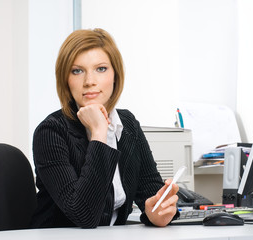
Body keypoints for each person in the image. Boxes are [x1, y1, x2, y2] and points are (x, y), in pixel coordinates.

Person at [31, 28, 180, 228]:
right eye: (77, 71)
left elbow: (150, 191)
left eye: (100, 69)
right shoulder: (51, 132)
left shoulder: (127, 125)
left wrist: (157, 212)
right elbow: (83, 215)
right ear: (66, 80)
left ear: (115, 75)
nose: (89, 81)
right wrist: (99, 132)